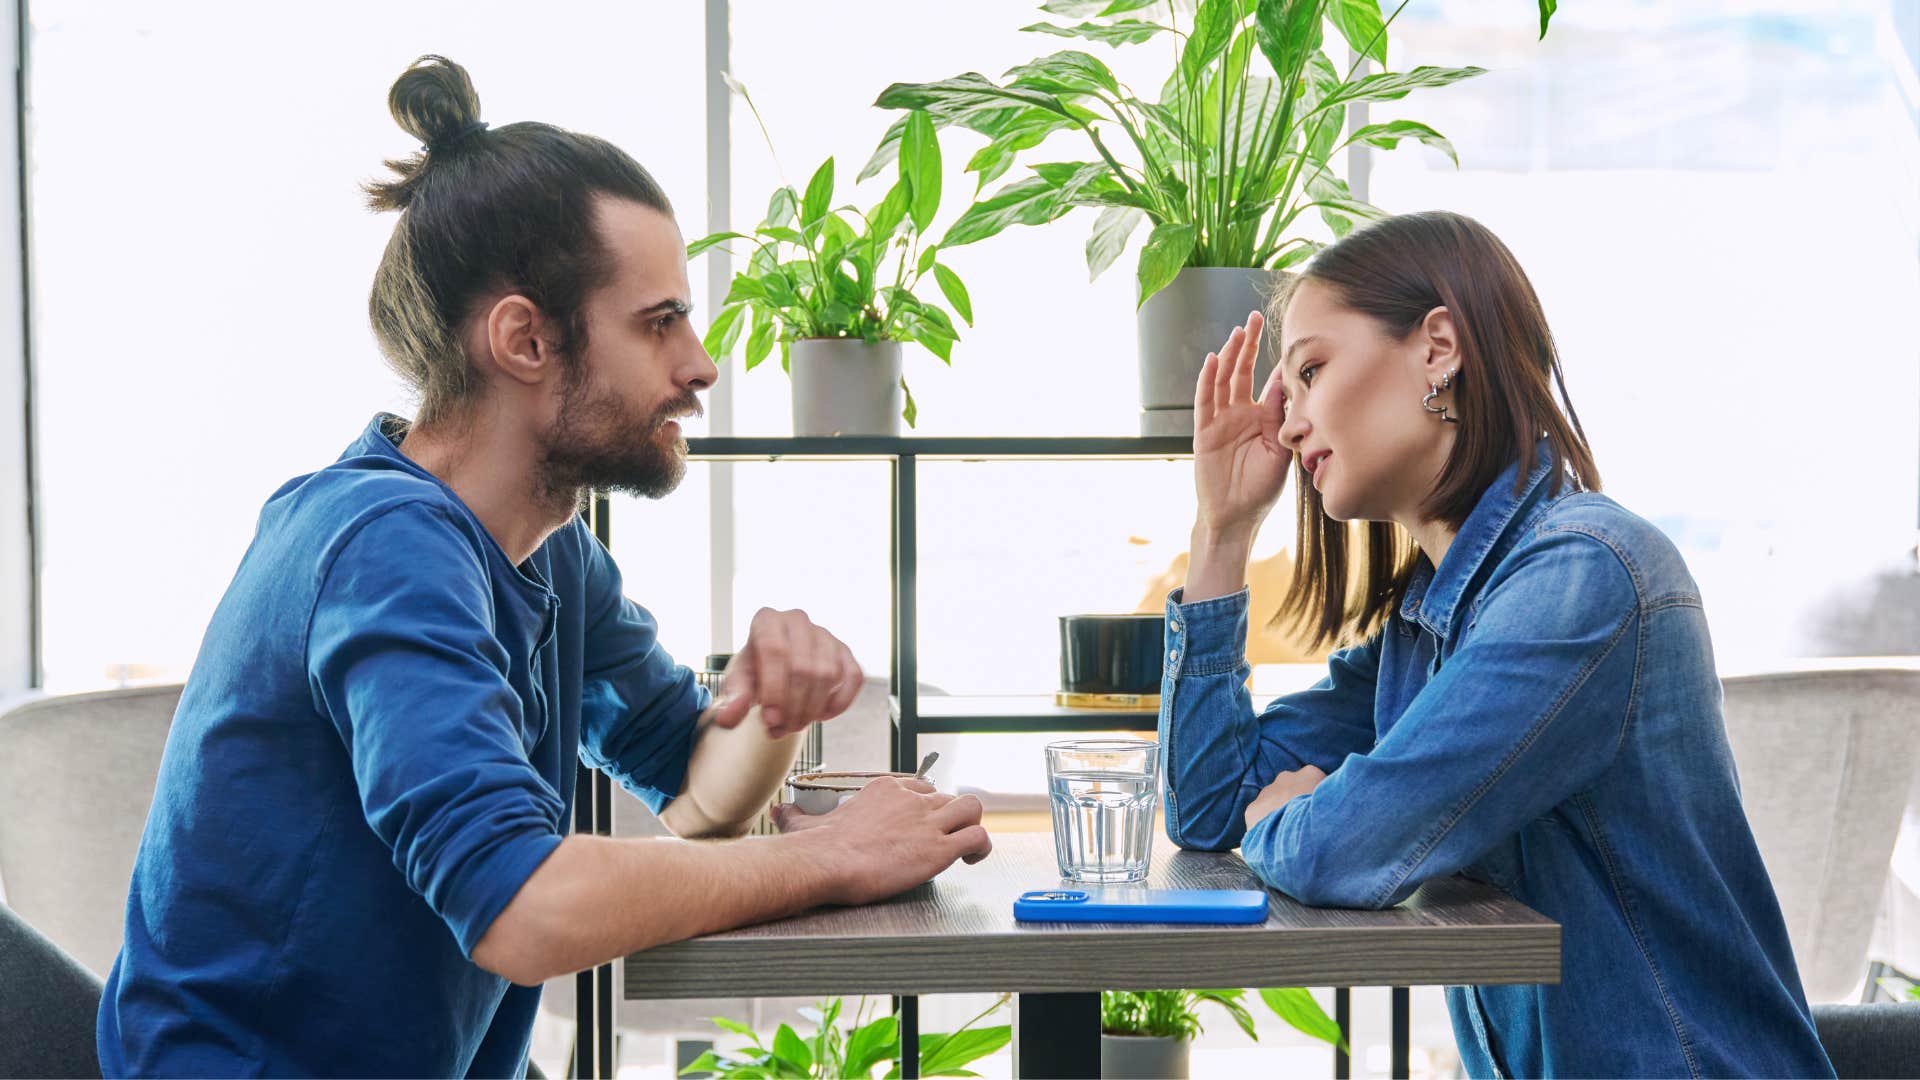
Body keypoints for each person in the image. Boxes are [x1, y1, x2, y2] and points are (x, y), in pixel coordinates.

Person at [96, 55, 991, 1078]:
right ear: (524, 339)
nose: (700, 365)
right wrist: (832, 855)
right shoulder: (385, 546)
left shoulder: (550, 556)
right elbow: (521, 909)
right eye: (659, 323)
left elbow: (696, 800)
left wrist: (763, 713)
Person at [1160, 210, 1833, 1077]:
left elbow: (1344, 847)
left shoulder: (1585, 577)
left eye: (1312, 371)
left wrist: (1282, 815)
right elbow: (1210, 812)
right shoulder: (1426, 626)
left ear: (1438, 346)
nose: (1287, 426)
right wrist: (1221, 533)